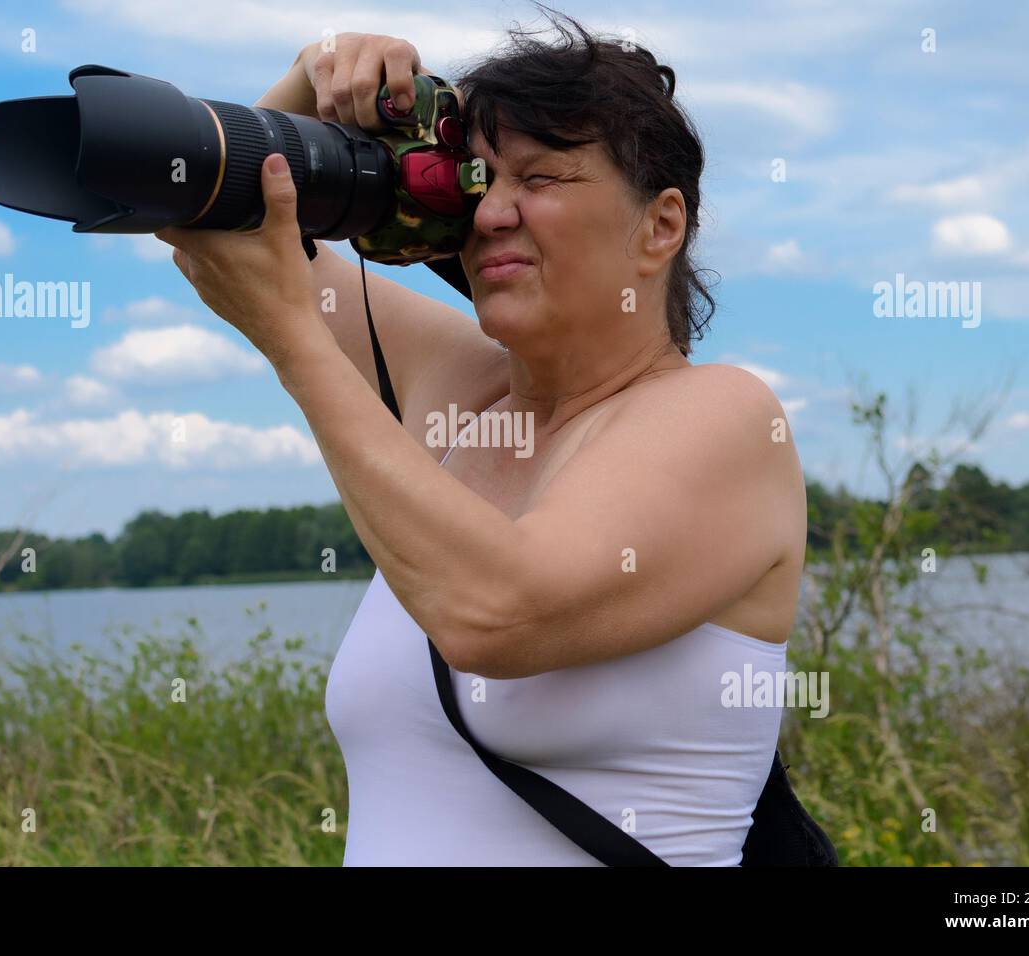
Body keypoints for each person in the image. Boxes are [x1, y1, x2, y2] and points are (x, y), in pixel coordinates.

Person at [156, 8, 807, 865]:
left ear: (660, 225)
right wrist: (313, 76)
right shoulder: (463, 388)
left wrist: (294, 343)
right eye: (474, 179)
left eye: (539, 179)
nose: (491, 213)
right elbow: (212, 218)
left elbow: (498, 615)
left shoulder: (722, 416)